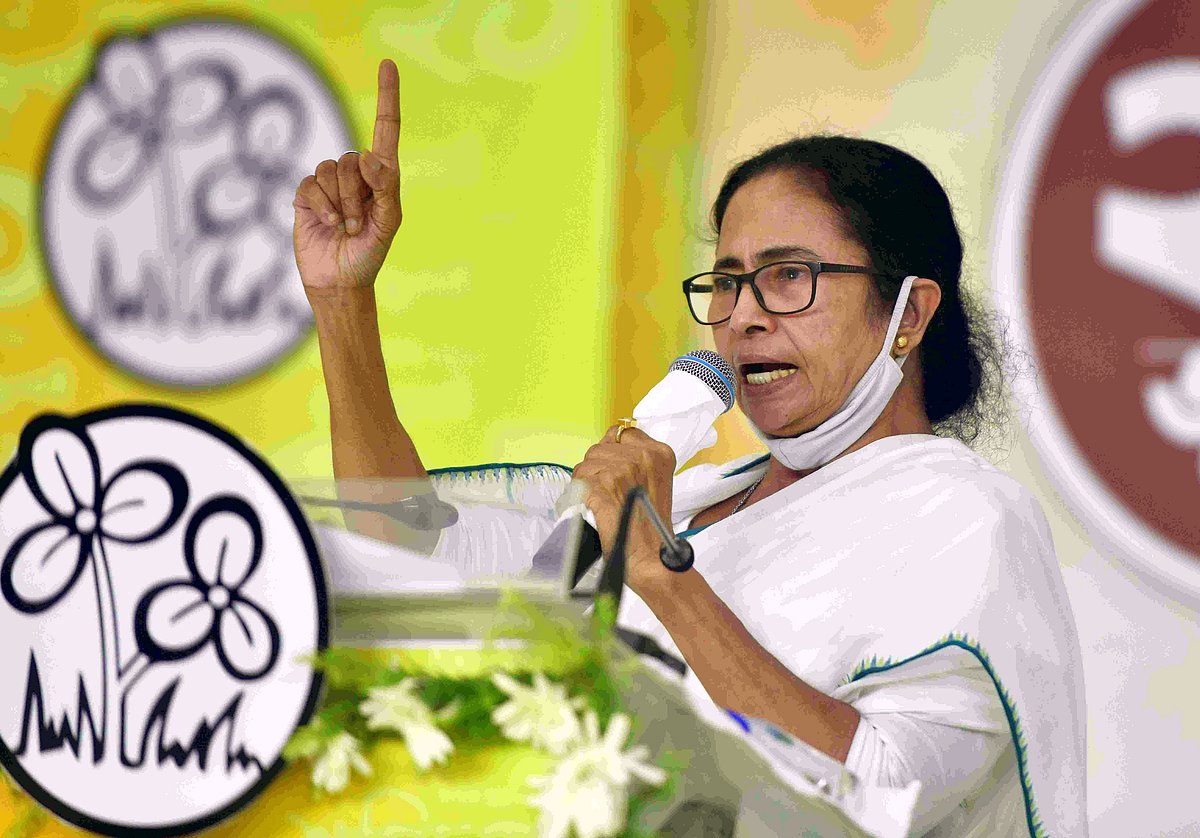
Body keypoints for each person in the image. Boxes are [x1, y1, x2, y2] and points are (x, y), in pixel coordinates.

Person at [292, 59, 1087, 837]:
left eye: (789, 276)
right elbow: (406, 546)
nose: (742, 315)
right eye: (728, 282)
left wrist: (662, 577)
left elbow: (884, 794)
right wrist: (341, 300)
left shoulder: (966, 519)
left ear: (908, 315)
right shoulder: (697, 496)